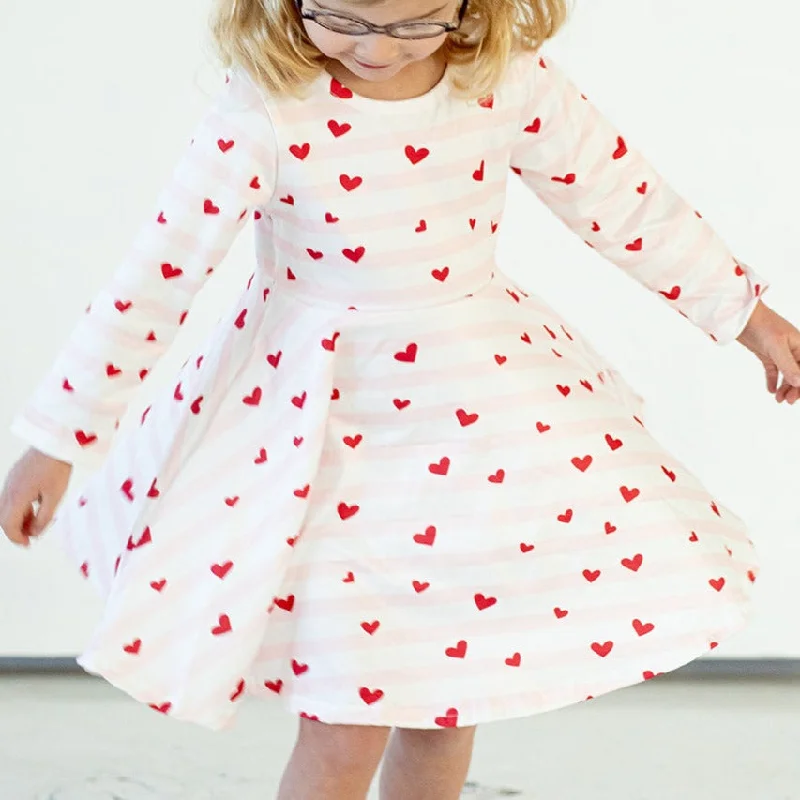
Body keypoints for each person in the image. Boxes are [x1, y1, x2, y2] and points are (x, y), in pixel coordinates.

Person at [2, 0, 800, 797]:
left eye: (414, 22)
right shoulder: (267, 112)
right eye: (341, 18)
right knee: (343, 723)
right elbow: (155, 279)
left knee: (441, 707)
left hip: (477, 417)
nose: (373, 48)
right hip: (323, 434)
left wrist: (748, 317)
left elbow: (625, 202)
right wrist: (58, 439)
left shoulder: (506, 83)